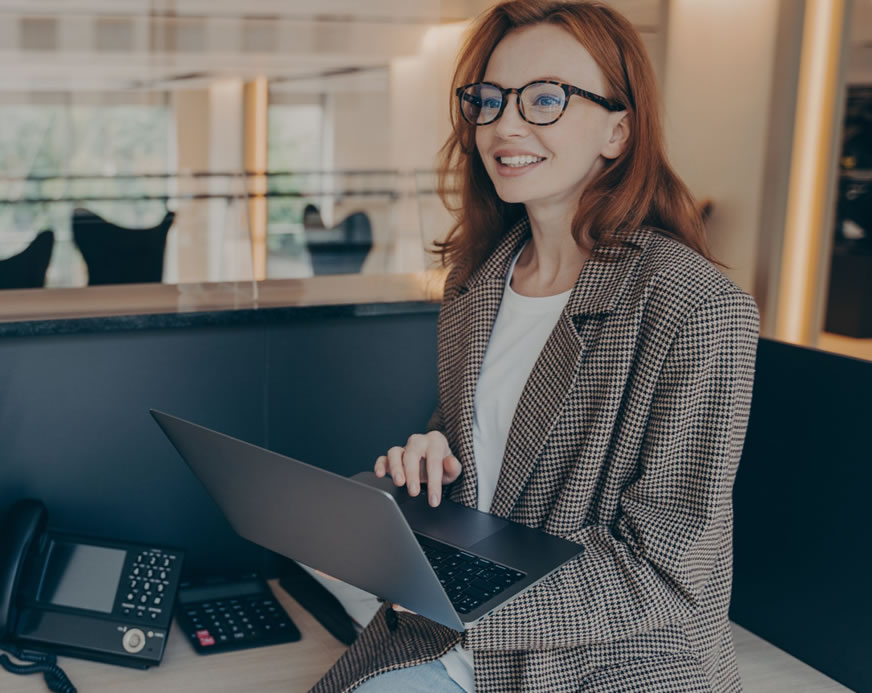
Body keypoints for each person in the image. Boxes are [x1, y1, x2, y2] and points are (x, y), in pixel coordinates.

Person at [310, 1, 759, 691]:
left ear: (619, 128)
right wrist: (435, 451)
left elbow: (664, 568)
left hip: (605, 662)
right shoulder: (477, 281)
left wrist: (457, 596)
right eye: (488, 101)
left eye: (545, 98)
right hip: (455, 648)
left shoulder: (696, 307)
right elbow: (501, 453)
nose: (505, 125)